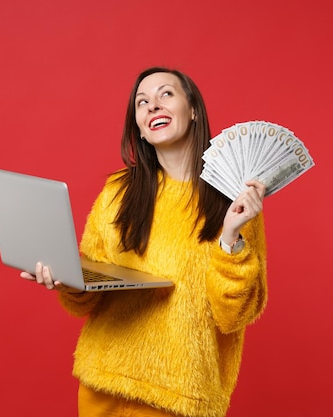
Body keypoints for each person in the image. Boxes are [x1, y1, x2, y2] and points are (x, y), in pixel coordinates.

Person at [21, 67, 268, 417]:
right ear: (138, 126)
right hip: (102, 382)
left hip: (178, 395)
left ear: (193, 108)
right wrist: (67, 280)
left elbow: (235, 315)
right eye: (142, 102)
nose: (153, 105)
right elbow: (86, 298)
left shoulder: (236, 200)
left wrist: (230, 238)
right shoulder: (117, 193)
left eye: (166, 94)